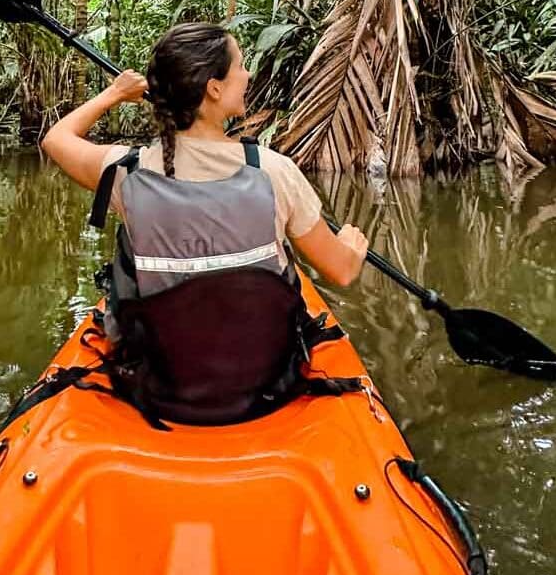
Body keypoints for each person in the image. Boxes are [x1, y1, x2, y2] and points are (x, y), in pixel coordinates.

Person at [40, 22, 369, 425]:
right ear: (214, 88)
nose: (247, 75)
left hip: (162, 383)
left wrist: (115, 94)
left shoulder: (126, 172)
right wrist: (353, 245)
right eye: (241, 66)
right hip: (264, 382)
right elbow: (341, 270)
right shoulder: (273, 171)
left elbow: (55, 139)